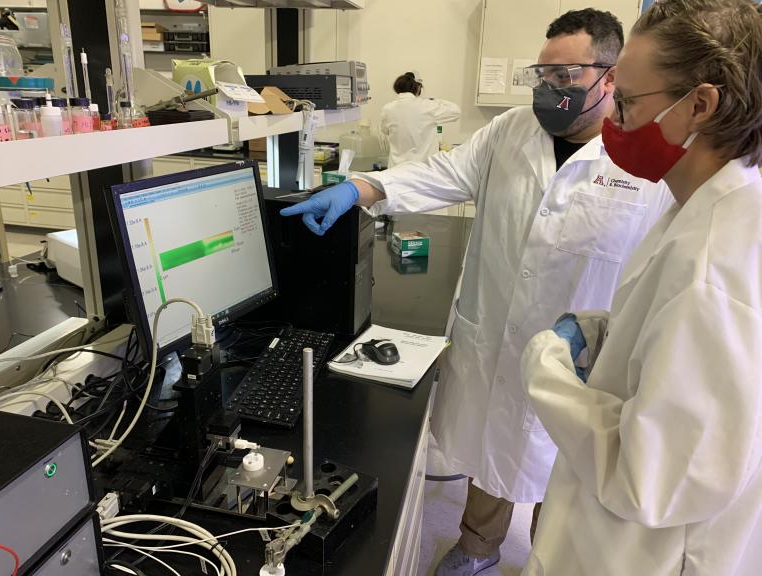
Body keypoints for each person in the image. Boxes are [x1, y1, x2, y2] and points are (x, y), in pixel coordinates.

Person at [280, 9, 673, 575]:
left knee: (567, 482)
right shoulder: (510, 130)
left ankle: (551, 562)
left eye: (567, 77)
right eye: (544, 74)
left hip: (581, 361)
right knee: (491, 458)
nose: (550, 89)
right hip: (494, 338)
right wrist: (360, 188)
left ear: (609, 78)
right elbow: (443, 174)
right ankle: (477, 548)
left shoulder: (642, 157)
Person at [520, 0, 762, 574]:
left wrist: (545, 369)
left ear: (699, 105)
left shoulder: (712, 266)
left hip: (643, 553)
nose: (613, 123)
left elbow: (651, 477)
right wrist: (610, 333)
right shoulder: (711, 205)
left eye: (626, 103)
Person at [380, 72, 460, 167]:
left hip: (396, 170)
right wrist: (433, 100)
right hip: (422, 171)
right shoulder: (428, 106)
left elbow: (385, 131)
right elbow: (456, 111)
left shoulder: (387, 109)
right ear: (418, 88)